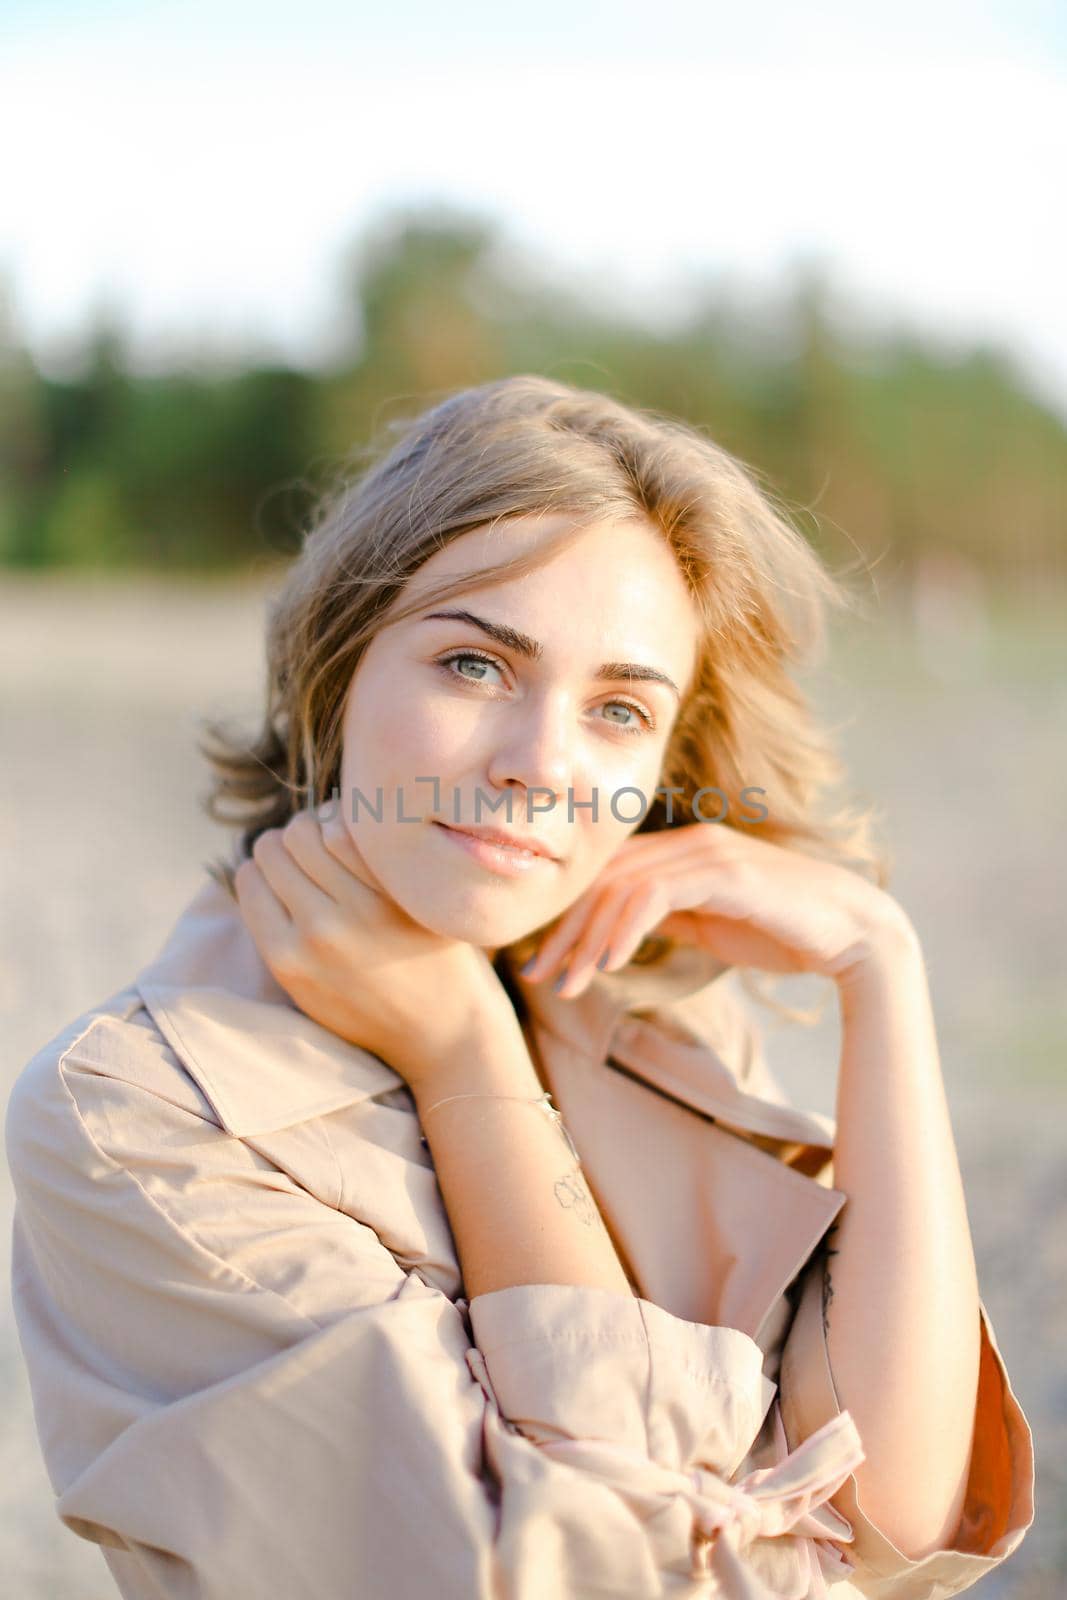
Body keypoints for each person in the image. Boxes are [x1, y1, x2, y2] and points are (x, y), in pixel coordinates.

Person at [6, 376, 1034, 1599]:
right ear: (339, 669)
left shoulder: (631, 992)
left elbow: (888, 1521)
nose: (542, 767)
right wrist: (465, 1060)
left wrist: (881, 966)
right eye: (474, 665)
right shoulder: (136, 1115)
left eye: (615, 709)